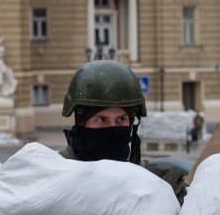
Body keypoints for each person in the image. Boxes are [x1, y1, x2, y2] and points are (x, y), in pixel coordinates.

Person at [60, 60, 187, 199]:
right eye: (101, 119)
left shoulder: (149, 181)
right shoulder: (55, 174)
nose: (113, 128)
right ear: (81, 123)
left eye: (121, 119)